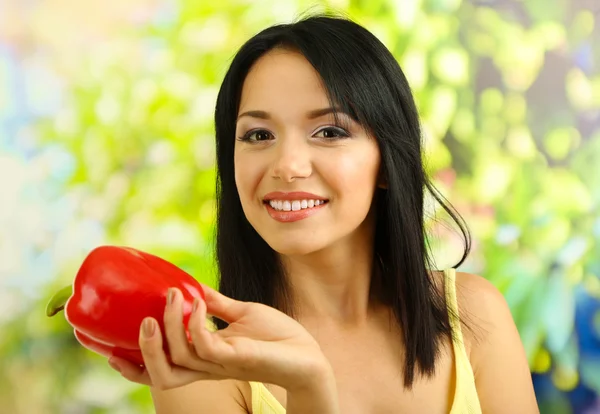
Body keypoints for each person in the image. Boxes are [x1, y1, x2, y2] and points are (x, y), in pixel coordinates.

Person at [107, 14, 540, 414]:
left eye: (329, 131)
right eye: (258, 134)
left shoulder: (475, 315)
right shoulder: (203, 371)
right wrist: (309, 387)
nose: (287, 165)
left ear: (388, 161)